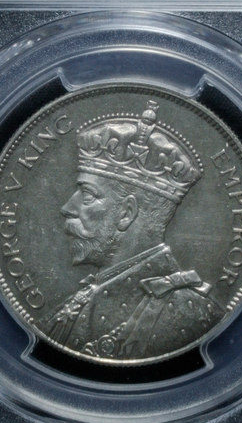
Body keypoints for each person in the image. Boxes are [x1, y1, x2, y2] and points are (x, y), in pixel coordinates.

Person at [38, 100, 225, 362]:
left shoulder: (191, 314)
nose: (67, 208)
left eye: (88, 196)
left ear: (127, 213)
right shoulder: (82, 298)